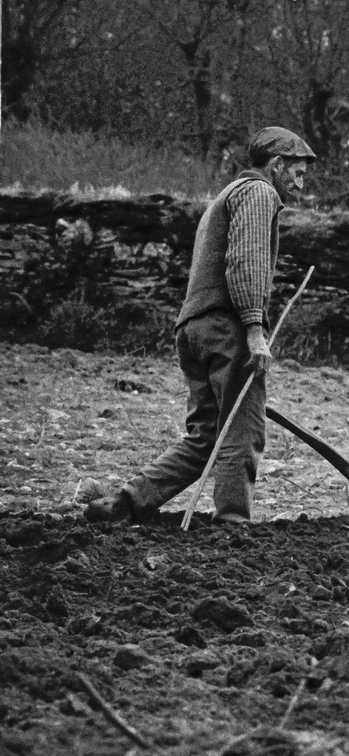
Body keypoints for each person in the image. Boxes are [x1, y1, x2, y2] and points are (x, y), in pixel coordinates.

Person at [85, 126, 316, 524]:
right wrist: (255, 329)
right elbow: (247, 262)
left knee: (207, 436)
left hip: (193, 329)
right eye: (297, 172)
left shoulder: (224, 198)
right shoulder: (259, 194)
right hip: (227, 329)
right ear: (276, 166)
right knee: (242, 431)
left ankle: (126, 503)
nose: (300, 182)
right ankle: (232, 525)